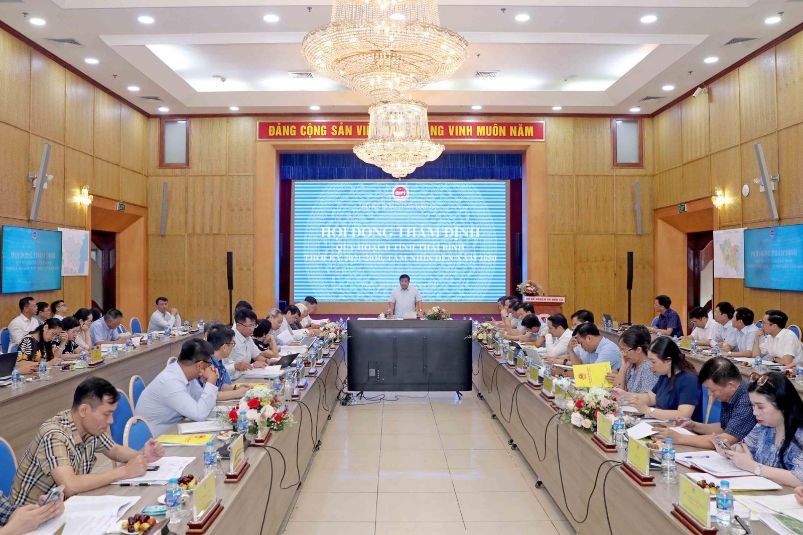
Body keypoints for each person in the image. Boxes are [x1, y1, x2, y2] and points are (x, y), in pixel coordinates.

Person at [10, 377, 165, 504]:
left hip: (63, 507)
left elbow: (115, 450)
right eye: (106, 414)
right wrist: (124, 471)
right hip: (29, 520)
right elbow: (69, 485)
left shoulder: (90, 427)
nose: (111, 421)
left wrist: (142, 456)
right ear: (84, 410)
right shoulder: (55, 434)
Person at [717, 372, 803, 487]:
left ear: (782, 404)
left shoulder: (800, 434)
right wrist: (732, 451)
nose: (755, 412)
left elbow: (800, 478)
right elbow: (746, 449)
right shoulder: (762, 426)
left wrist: (754, 467)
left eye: (761, 407)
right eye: (752, 405)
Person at [656, 357, 756, 449]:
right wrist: (695, 426)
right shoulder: (731, 393)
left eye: (712, 390)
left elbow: (726, 440)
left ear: (730, 385)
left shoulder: (747, 401)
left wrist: (679, 438)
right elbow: (725, 428)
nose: (709, 394)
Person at [135, 339, 221, 436]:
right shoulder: (170, 382)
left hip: (173, 429)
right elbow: (200, 414)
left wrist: (206, 384)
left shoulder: (183, 372)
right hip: (155, 438)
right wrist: (211, 382)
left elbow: (201, 402)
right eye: (208, 364)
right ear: (200, 365)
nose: (209, 367)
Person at [626, 337, 702, 421]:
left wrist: (648, 410)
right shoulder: (664, 374)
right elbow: (651, 398)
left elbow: (683, 415)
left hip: (679, 427)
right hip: (663, 423)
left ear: (668, 361)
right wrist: (625, 396)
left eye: (653, 362)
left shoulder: (689, 380)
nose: (650, 366)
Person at [229, 308, 277, 380]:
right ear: (238, 325)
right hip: (233, 379)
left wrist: (267, 361)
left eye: (254, 325)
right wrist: (236, 366)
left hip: (246, 375)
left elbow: (256, 355)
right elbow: (223, 366)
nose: (252, 329)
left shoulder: (248, 337)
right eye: (249, 326)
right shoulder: (230, 339)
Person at [205, 325, 249, 402]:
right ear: (224, 347)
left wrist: (236, 388)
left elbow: (219, 386)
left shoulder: (218, 361)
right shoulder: (207, 364)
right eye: (232, 343)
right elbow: (212, 395)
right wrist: (238, 393)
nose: (233, 347)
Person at [610, 325, 659, 393]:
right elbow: (617, 390)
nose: (623, 354)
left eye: (625, 350)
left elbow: (645, 398)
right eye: (621, 350)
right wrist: (623, 366)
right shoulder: (632, 362)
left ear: (638, 350)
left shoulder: (649, 368)